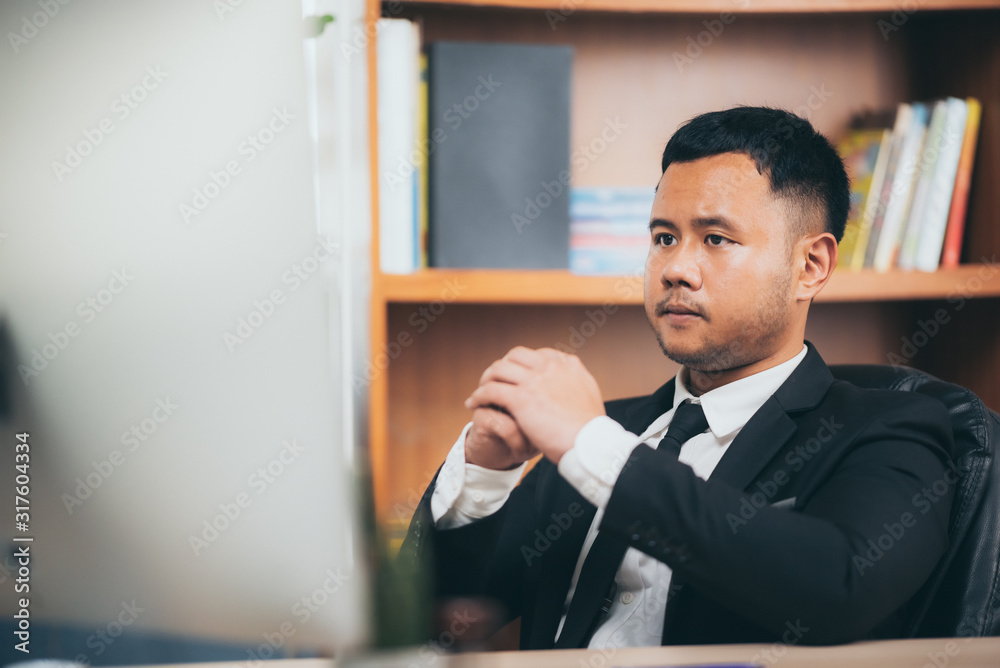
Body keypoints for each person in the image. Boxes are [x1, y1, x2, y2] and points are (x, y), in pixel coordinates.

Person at [400, 106, 954, 649]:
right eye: (664, 237)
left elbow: (837, 590)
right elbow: (428, 622)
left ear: (810, 266)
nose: (674, 269)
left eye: (716, 239)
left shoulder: (892, 429)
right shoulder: (601, 425)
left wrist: (594, 449)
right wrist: (484, 472)